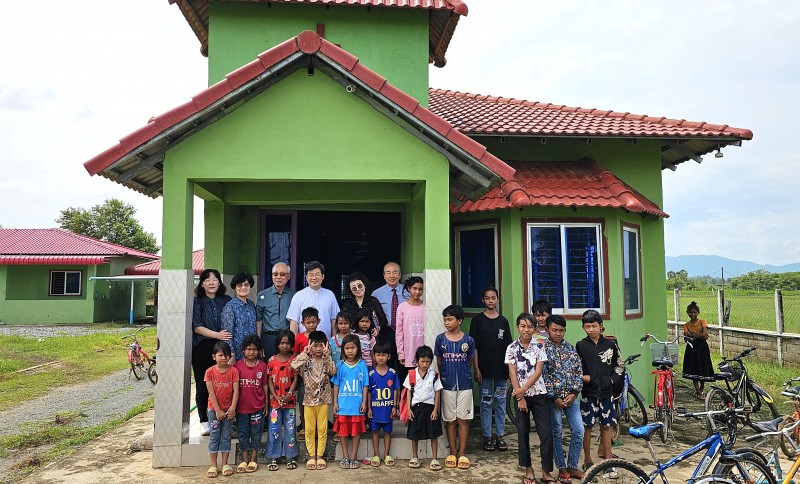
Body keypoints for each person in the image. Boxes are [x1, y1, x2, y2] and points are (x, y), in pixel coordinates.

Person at [506, 313, 554, 484]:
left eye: (530, 327)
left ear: (535, 329)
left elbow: (538, 370)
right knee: (523, 433)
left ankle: (546, 471)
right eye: (523, 326)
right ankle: (528, 469)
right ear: (517, 327)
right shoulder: (511, 348)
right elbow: (512, 372)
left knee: (546, 433)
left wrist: (522, 390)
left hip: (538, 394)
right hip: (521, 398)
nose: (526, 330)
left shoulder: (540, 345)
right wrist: (520, 397)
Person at [576, 309, 623, 473]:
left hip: (606, 393)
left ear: (601, 326)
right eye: (587, 326)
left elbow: (619, 365)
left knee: (606, 426)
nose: (591, 329)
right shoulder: (581, 346)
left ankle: (608, 461)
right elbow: (577, 369)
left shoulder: (610, 344)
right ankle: (587, 460)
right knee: (587, 426)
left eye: (594, 326)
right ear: (583, 327)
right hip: (588, 393)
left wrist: (611, 380)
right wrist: (586, 379)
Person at [469, 285, 512, 452]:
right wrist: (476, 368)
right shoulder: (477, 321)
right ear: (482, 300)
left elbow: (509, 348)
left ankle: (500, 435)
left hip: (501, 371)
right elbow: (475, 347)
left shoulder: (503, 321)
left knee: (500, 402)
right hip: (484, 372)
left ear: (497, 299)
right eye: (487, 298)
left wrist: (509, 370)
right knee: (486, 403)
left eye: (493, 298)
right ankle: (487, 435)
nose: (490, 301)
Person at [543, 315, 585, 482]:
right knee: (557, 432)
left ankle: (572, 465)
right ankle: (561, 468)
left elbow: (578, 373)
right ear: (547, 330)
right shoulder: (543, 350)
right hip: (554, 400)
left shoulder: (570, 348)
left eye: (561, 330)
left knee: (578, 430)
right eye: (554, 330)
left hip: (571, 398)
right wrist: (554, 397)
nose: (558, 333)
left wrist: (574, 393)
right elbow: (543, 376)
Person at [435, 304, 476, 470]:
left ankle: (462, 453)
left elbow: (471, 361)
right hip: (447, 385)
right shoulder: (440, 339)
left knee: (463, 420)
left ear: (459, 321)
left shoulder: (468, 340)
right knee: (450, 420)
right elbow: (438, 361)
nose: (446, 322)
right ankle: (452, 452)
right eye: (445, 319)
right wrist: (445, 376)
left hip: (465, 385)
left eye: (450, 319)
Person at [191, 269, 232, 436]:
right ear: (202, 284)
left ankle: (226, 417)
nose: (211, 282)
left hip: (223, 347)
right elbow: (197, 327)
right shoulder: (197, 302)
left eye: (215, 279)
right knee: (203, 384)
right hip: (202, 347)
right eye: (207, 280)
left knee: (225, 383)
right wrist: (217, 335)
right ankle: (204, 420)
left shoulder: (227, 301)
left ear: (219, 283)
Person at [290, 330, 336, 471]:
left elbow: (333, 371)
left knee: (322, 429)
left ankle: (320, 456)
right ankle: (311, 456)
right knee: (309, 429)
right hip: (309, 400)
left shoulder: (327, 360)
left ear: (325, 346)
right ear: (310, 346)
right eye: (314, 346)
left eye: (320, 346)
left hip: (323, 400)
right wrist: (305, 353)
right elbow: (293, 365)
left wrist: (328, 356)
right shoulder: (306, 361)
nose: (318, 349)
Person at [343, 272, 396, 370]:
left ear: (365, 285)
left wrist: (378, 329)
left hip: (372, 342)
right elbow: (344, 322)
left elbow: (383, 320)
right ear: (350, 290)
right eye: (354, 288)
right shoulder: (348, 305)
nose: (358, 289)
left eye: (360, 286)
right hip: (354, 342)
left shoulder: (373, 301)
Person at [332, 334, 370, 469]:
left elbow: (365, 385)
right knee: (343, 432)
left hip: (357, 406)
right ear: (343, 350)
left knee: (356, 432)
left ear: (358, 348)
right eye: (347, 348)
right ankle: (345, 456)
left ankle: (354, 457)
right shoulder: (340, 365)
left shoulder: (362, 365)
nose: (350, 351)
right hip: (343, 405)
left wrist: (365, 402)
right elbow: (336, 384)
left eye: (352, 347)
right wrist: (335, 402)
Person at [204, 341, 240, 478]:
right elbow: (211, 393)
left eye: (226, 355)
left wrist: (232, 408)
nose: (224, 358)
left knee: (226, 436)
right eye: (220, 355)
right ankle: (213, 465)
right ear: (214, 357)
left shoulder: (234, 371)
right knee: (214, 436)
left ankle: (225, 463)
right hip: (214, 410)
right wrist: (218, 410)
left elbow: (236, 391)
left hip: (229, 410)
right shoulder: (209, 372)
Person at [405, 344, 443, 471]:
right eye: (422, 361)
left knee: (433, 434)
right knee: (414, 434)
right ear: (417, 360)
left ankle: (434, 458)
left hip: (430, 407)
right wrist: (409, 409)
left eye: (428, 361)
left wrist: (435, 409)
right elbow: (408, 392)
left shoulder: (434, 375)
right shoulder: (411, 374)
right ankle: (415, 457)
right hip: (416, 408)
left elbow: (437, 392)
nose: (425, 364)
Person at [234, 335, 268, 473]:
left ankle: (253, 460)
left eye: (255, 349)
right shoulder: (238, 365)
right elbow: (234, 388)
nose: (251, 352)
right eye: (248, 349)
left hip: (257, 408)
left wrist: (266, 404)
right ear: (243, 350)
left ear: (259, 351)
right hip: (241, 408)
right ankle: (244, 460)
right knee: (242, 433)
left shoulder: (262, 366)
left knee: (256, 433)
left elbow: (265, 385)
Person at [266, 330, 299, 471]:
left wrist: (289, 394)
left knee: (290, 429)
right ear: (277, 344)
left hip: (290, 402)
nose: (284, 346)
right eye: (282, 343)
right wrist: (274, 395)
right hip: (275, 403)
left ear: (292, 344)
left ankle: (290, 456)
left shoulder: (294, 360)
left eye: (287, 343)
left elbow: (296, 378)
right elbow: (269, 379)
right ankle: (273, 456)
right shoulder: (271, 360)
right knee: (274, 428)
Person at [366, 342, 399, 467]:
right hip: (375, 409)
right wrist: (369, 408)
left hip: (388, 409)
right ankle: (376, 454)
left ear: (389, 356)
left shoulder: (392, 373)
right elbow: (368, 392)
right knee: (375, 431)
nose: (381, 358)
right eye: (378, 355)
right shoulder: (371, 374)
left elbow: (396, 389)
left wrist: (395, 407)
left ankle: (386, 454)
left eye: (383, 355)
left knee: (387, 432)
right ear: (373, 356)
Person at [287, 261, 340, 337]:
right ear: (306, 277)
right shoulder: (298, 296)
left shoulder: (330, 295)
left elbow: (334, 320)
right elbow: (293, 322)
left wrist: (334, 342)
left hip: (325, 343)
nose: (314, 278)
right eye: (311, 275)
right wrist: (295, 344)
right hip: (304, 344)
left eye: (317, 274)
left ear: (323, 276)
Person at [256, 262, 296, 362]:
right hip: (268, 338)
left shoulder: (294, 296)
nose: (278, 277)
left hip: (286, 338)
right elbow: (259, 320)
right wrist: (258, 342)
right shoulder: (262, 296)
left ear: (288, 277)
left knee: (287, 367)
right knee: (268, 366)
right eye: (275, 274)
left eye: (282, 274)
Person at [293, 306, 320, 441]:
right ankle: (304, 427)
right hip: (303, 376)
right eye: (308, 322)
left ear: (318, 321)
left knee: (317, 401)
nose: (311, 325)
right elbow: (295, 355)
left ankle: (316, 428)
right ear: (302, 323)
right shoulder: (298, 338)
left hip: (318, 375)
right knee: (303, 401)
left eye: (313, 322)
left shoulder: (321, 336)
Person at [221, 272, 259, 362]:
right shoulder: (230, 307)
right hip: (237, 353)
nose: (243, 287)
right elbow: (227, 333)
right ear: (234, 288)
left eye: (246, 285)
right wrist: (231, 353)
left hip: (251, 352)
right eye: (239, 285)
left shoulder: (251, 304)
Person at [396, 276, 425, 390]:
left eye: (420, 289)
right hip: (408, 353)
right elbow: (399, 332)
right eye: (414, 288)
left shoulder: (426, 307)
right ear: (409, 288)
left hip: (423, 353)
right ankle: (407, 407)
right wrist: (401, 352)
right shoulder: (402, 307)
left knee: (422, 384)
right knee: (409, 386)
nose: (417, 292)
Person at [682, 301, 714, 399]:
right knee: (694, 369)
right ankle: (699, 392)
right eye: (691, 312)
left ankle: (702, 387)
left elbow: (704, 334)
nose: (693, 314)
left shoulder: (702, 322)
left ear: (698, 313)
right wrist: (700, 336)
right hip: (691, 349)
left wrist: (692, 335)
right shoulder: (686, 324)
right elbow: (686, 337)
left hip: (702, 348)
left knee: (702, 367)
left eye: (695, 312)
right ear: (688, 313)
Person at [371, 262, 408, 331]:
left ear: (399, 275)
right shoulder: (376, 293)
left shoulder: (408, 292)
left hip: (405, 330)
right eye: (388, 273)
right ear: (384, 276)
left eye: (395, 272)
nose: (392, 276)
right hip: (385, 331)